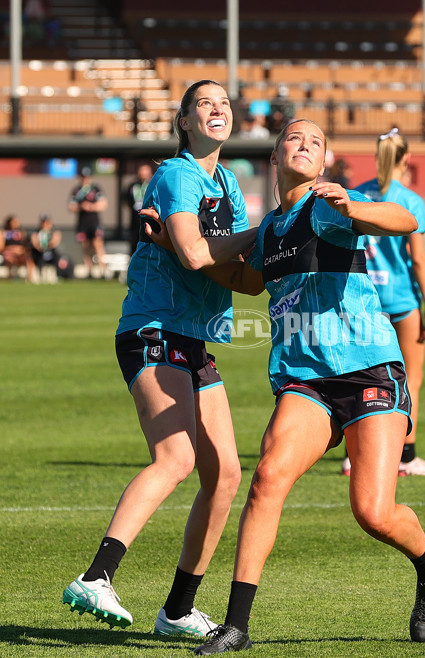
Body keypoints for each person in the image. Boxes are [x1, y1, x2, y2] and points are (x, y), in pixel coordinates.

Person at [189, 119, 425, 654]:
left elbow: (402, 219)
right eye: (293, 138)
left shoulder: (329, 206)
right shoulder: (271, 228)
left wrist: (354, 206)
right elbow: (248, 280)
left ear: (323, 162)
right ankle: (237, 625)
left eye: (315, 141)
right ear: (276, 155)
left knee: (373, 513)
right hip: (306, 381)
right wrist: (178, 249)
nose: (302, 145)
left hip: (369, 370)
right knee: (267, 479)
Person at [62, 80, 259, 638]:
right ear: (184, 121)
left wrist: (290, 250)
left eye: (224, 103)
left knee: (223, 476)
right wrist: (263, 232)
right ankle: (96, 576)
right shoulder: (177, 175)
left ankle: (176, 611)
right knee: (176, 458)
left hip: (193, 339)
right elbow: (199, 254)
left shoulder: (230, 184)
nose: (217, 110)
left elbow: (239, 279)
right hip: (153, 329)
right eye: (205, 104)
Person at [342, 128, 425, 477]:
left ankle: (353, 454)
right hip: (401, 300)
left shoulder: (359, 193)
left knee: (357, 378)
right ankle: (407, 456)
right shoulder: (409, 199)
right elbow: (417, 260)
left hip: (362, 299)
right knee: (410, 380)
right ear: (406, 159)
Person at [68, 167, 107, 278]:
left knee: (97, 244)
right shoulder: (77, 190)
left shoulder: (95, 188)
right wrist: (81, 207)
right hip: (82, 223)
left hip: (94, 221)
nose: (85, 179)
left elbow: (103, 204)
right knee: (85, 246)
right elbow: (70, 206)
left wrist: (91, 206)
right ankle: (89, 271)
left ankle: (103, 270)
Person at [124, 163, 153, 255]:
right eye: (141, 170)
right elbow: (126, 200)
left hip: (149, 219)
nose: (143, 173)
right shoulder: (133, 185)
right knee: (134, 240)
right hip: (135, 219)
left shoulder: (152, 184)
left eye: (145, 170)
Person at [0, 214, 37, 282]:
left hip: (20, 254)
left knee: (28, 259)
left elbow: (26, 246)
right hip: (8, 254)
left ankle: (30, 280)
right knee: (9, 260)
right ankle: (10, 279)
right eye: (14, 221)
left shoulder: (21, 233)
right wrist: (11, 249)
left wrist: (20, 250)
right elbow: (1, 247)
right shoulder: (3, 233)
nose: (16, 223)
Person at [30, 213, 63, 281]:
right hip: (40, 252)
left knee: (58, 258)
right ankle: (39, 276)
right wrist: (40, 245)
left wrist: (46, 243)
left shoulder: (54, 230)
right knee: (37, 258)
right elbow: (35, 242)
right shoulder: (37, 231)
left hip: (52, 252)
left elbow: (54, 242)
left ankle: (58, 276)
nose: (45, 224)